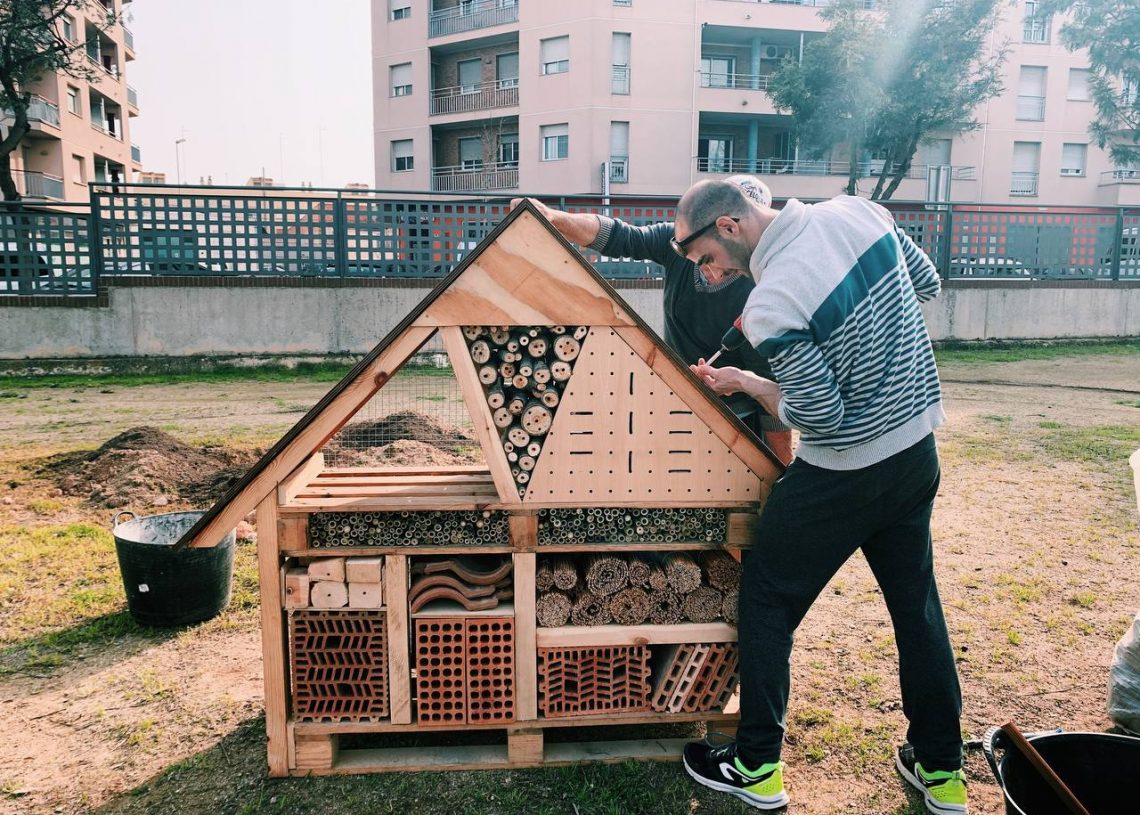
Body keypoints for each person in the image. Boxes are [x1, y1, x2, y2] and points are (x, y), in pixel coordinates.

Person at [674, 180, 965, 814]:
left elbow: (824, 418)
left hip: (845, 471)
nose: (709, 273)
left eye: (702, 258)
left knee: (769, 595)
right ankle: (942, 771)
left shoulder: (776, 299)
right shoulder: (861, 211)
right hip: (916, 449)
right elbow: (926, 285)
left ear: (727, 226)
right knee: (916, 607)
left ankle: (755, 764)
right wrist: (761, 369)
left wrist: (760, 376)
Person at [510, 175, 793, 464]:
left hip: (738, 417)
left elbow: (769, 381)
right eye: (708, 256)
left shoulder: (762, 289)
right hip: (677, 399)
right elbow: (620, 236)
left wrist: (782, 463)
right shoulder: (682, 243)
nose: (715, 269)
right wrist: (552, 217)